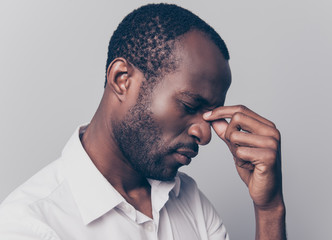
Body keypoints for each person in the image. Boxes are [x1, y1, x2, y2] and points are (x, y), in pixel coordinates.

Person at [0, 3, 286, 240]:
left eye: (212, 115)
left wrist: (269, 209)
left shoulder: (189, 200)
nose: (205, 134)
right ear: (122, 80)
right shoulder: (31, 226)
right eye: (189, 105)